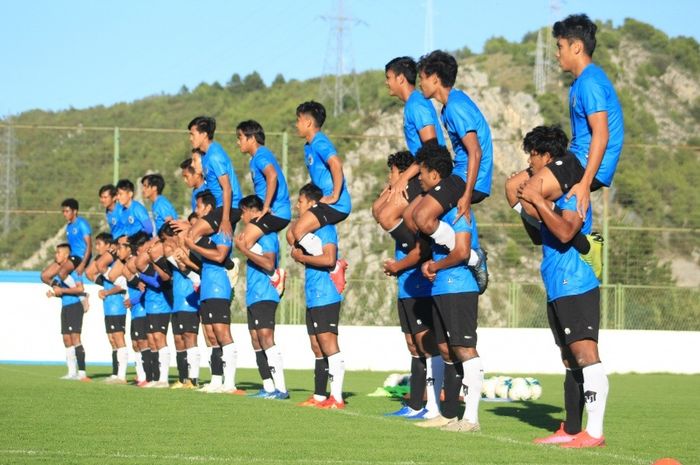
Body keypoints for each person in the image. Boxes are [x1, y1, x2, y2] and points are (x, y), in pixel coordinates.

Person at [505, 14, 623, 279]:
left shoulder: (591, 82)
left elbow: (601, 135)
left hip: (584, 162)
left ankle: (585, 245)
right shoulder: (579, 82)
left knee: (532, 192)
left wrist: (584, 183)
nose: (557, 54)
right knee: (514, 188)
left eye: (560, 47)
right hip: (576, 157)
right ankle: (549, 233)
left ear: (576, 47)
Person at [514, 125, 609, 448]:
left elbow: (568, 232)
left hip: (577, 283)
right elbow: (542, 231)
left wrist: (538, 201)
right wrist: (528, 204)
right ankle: (571, 428)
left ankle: (594, 432)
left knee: (586, 354)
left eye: (533, 156)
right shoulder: (555, 197)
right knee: (569, 359)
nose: (530, 163)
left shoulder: (573, 193)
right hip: (557, 284)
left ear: (547, 157)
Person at [411, 144, 483, 433]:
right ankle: (449, 414)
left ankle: (472, 418)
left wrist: (434, 267)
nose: (419, 179)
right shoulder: (438, 215)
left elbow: (463, 251)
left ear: (437, 175)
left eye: (423, 174)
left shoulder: (459, 210)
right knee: (445, 349)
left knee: (465, 348)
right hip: (442, 287)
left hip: (459, 286)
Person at [416, 50, 492, 291]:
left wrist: (466, 195)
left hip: (469, 178)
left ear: (435, 78)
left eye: (422, 78)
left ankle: (471, 256)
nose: (420, 84)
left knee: (421, 216)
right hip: (460, 175)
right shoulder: (447, 108)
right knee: (413, 214)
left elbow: (475, 152)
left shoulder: (456, 106)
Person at [381, 150, 443, 420]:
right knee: (412, 344)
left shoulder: (418, 209)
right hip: (405, 286)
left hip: (420, 286)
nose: (389, 178)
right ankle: (416, 404)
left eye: (392, 172)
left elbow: (422, 251)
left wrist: (398, 266)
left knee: (426, 344)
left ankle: (432, 406)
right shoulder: (403, 210)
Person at [373, 56, 445, 250]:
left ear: (401, 79)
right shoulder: (411, 104)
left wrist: (404, 179)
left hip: (432, 170)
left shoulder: (417, 104)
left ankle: (421, 254)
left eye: (388, 77)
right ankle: (419, 250)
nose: (386, 82)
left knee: (387, 215)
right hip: (421, 167)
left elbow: (430, 146)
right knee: (378, 208)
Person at [290, 184, 346, 409]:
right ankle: (320, 396)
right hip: (313, 295)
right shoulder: (309, 232)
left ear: (312, 204)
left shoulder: (326, 228)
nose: (297, 205)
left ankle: (337, 398)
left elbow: (329, 259)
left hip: (326, 294)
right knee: (316, 345)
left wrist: (302, 259)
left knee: (328, 343)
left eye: (300, 201)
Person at [183, 190, 243, 395]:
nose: (196, 210)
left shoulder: (222, 230)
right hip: (207, 287)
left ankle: (231, 383)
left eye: (199, 206)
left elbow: (220, 256)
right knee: (210, 335)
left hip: (218, 286)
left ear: (209, 208)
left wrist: (192, 244)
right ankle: (216, 380)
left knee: (222, 333)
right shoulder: (204, 236)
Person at [291, 101, 350, 291]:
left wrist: (334, 195)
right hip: (323, 203)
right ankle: (323, 260)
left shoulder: (320, 141)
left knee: (299, 229)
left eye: (298, 120)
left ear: (308, 123)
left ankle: (333, 266)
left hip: (337, 204)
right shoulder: (308, 146)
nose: (296, 125)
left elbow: (335, 164)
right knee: (291, 234)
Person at [234, 195, 288, 400]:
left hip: (266, 293)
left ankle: (281, 388)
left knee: (266, 337)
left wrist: (245, 250)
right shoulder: (256, 236)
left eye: (243, 212)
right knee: (256, 340)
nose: (242, 217)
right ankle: (267, 386)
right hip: (253, 294)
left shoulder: (266, 235)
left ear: (251, 210)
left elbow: (269, 263)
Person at [236, 119, 290, 293]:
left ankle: (274, 275)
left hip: (277, 212)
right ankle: (274, 276)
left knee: (243, 241)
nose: (238, 142)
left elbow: (272, 176)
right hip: (270, 212)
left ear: (252, 138)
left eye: (240, 137)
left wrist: (265, 207)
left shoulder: (261, 155)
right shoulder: (255, 159)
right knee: (242, 241)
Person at [185, 116, 243, 241]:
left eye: (192, 134)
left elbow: (227, 188)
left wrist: (226, 219)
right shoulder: (206, 156)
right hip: (219, 207)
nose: (190, 138)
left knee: (192, 234)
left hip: (230, 207)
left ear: (204, 134)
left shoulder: (214, 155)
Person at [158, 223, 201, 389]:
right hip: (177, 302)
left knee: (190, 337)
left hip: (189, 300)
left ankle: (194, 379)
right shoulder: (174, 251)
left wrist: (174, 256)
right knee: (178, 340)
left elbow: (188, 268)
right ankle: (183, 379)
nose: (165, 244)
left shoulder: (186, 250)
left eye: (166, 239)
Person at [46, 243, 90, 382]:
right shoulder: (60, 276)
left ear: (66, 255)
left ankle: (82, 373)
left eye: (58, 253)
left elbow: (79, 289)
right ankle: (71, 372)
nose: (56, 255)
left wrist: (62, 291)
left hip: (74, 307)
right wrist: (55, 294)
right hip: (65, 307)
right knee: (66, 339)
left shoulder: (74, 272)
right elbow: (63, 292)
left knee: (76, 338)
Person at [40, 199, 92, 309]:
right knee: (45, 276)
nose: (65, 214)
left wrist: (83, 264)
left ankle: (82, 296)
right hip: (71, 256)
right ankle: (59, 288)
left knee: (62, 272)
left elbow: (89, 245)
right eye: (63, 211)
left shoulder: (82, 223)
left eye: (67, 211)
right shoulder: (69, 226)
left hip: (80, 256)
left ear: (75, 211)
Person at [92, 232, 129, 384]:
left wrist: (107, 291)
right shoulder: (108, 267)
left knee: (119, 339)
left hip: (117, 306)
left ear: (109, 246)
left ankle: (122, 376)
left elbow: (122, 285)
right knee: (112, 339)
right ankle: (115, 373)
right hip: (108, 306)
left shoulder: (117, 265)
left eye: (99, 244)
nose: (97, 248)